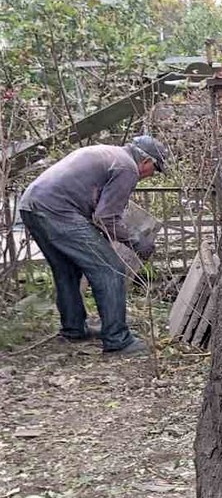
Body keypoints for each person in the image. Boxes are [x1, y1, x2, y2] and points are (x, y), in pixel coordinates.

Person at [17, 135, 169, 355]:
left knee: (67, 270)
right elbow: (106, 217)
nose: (150, 176)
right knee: (110, 270)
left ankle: (74, 329)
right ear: (146, 161)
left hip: (30, 205)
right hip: (57, 211)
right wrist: (136, 241)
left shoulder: (109, 153)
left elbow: (96, 211)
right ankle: (118, 340)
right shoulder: (127, 168)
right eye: (154, 170)